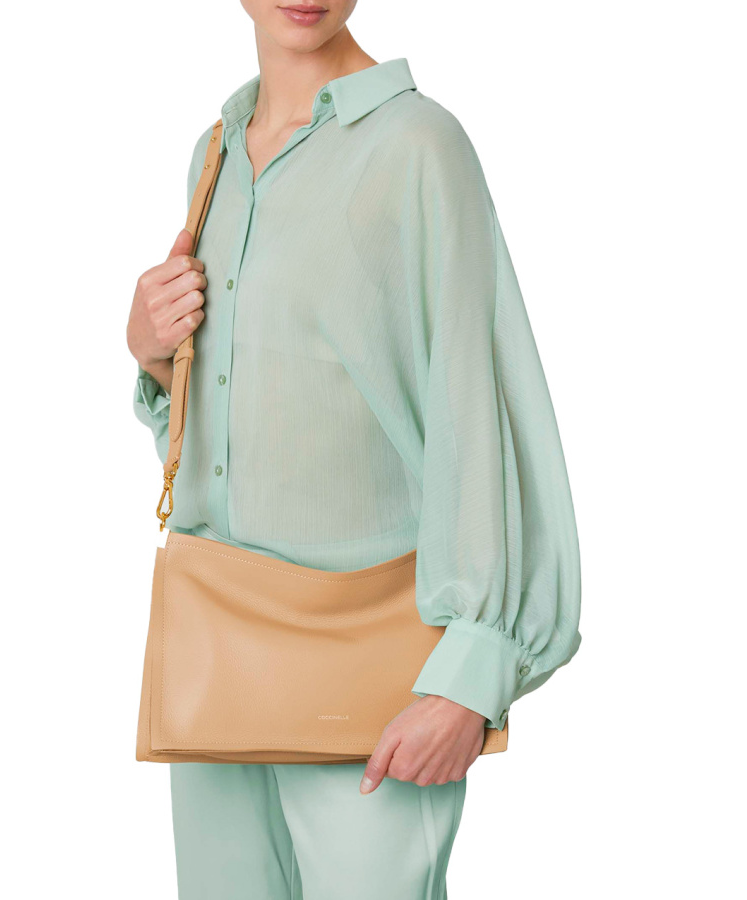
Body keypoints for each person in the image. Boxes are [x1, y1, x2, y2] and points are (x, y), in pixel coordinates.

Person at [127, 2, 581, 897]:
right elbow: (247, 427)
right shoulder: (214, 155)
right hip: (219, 661)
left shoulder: (417, 145)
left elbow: (475, 404)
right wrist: (152, 354)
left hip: (379, 679)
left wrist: (470, 676)